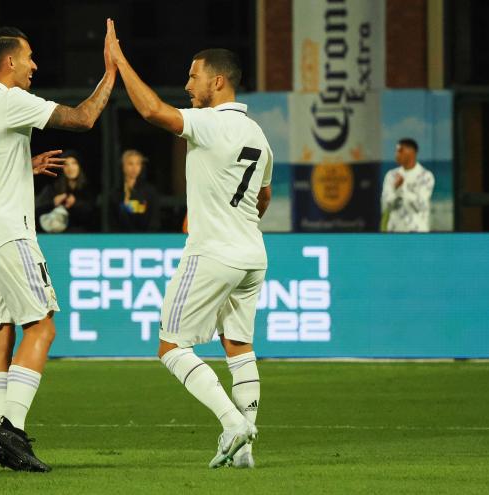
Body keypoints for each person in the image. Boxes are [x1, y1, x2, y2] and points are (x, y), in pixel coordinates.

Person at [0, 24, 116, 472]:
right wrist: (110, 74)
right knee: (41, 327)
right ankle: (12, 430)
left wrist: (20, 165)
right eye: (29, 57)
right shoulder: (10, 100)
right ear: (8, 64)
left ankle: (7, 441)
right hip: (7, 234)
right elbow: (83, 118)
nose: (34, 66)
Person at [106, 20, 273, 469]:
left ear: (217, 82)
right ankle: (246, 454)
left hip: (213, 252)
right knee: (238, 345)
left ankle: (232, 423)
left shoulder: (208, 123)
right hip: (252, 255)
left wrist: (120, 63)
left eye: (193, 76)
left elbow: (152, 111)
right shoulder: (258, 135)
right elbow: (263, 196)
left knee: (171, 346)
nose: (187, 84)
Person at [381, 138, 435, 232]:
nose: (397, 154)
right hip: (394, 233)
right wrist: (398, 191)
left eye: (400, 150)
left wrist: (401, 188)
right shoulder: (391, 175)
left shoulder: (426, 176)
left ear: (412, 152)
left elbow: (420, 205)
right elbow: (386, 204)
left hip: (417, 233)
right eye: (396, 151)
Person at [36, 150, 95, 233]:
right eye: (66, 164)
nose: (70, 168)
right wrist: (53, 202)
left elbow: (94, 213)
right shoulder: (53, 188)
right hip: (56, 236)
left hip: (82, 235)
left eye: (74, 163)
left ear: (79, 166)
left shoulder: (87, 188)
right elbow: (36, 208)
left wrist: (75, 203)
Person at [109, 149, 160, 232]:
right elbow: (112, 221)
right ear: (123, 166)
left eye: (138, 164)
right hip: (121, 239)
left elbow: (154, 220)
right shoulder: (116, 193)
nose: (134, 168)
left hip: (146, 238)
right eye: (130, 164)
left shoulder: (150, 192)